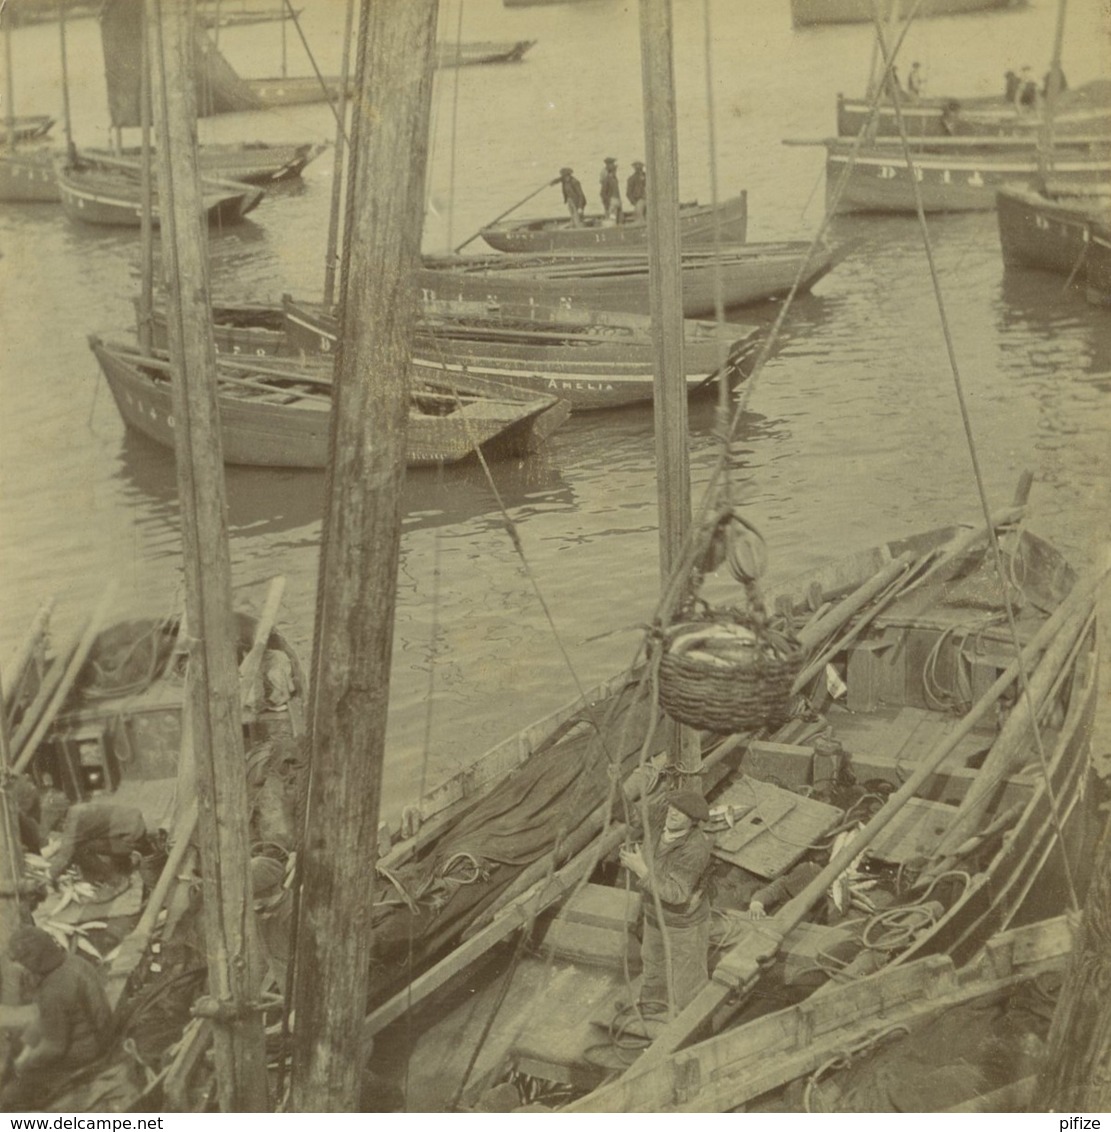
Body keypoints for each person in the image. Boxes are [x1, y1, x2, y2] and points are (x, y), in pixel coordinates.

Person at [619, 789, 712, 1016]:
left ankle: (690, 1025)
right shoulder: (660, 822)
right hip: (654, 915)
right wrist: (615, 786)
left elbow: (677, 893)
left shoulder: (696, 847)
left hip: (683, 923)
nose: (673, 813)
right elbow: (631, 814)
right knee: (653, 964)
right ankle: (652, 1007)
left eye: (681, 812)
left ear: (693, 821)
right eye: (673, 807)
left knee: (687, 978)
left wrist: (640, 869)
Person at [2, 926, 112, 1110]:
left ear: (34, 959)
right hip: (102, 1032)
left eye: (22, 961)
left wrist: (25, 1064)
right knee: (22, 1042)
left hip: (87, 1053)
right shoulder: (73, 961)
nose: (20, 967)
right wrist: (26, 1046)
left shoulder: (53, 991)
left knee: (9, 1096)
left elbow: (54, 1048)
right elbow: (47, 1016)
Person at [48, 800, 151, 888]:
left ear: (62, 820)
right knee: (88, 842)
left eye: (57, 827)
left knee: (79, 850)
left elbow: (64, 856)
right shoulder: (77, 809)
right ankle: (124, 862)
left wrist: (48, 877)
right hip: (135, 826)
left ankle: (118, 881)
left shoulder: (73, 823)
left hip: (132, 837)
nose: (61, 831)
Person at [599, 156, 622, 222]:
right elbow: (603, 192)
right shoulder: (607, 176)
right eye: (613, 164)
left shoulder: (613, 177)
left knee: (615, 217)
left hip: (614, 199)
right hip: (612, 200)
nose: (614, 165)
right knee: (612, 218)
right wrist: (607, 202)